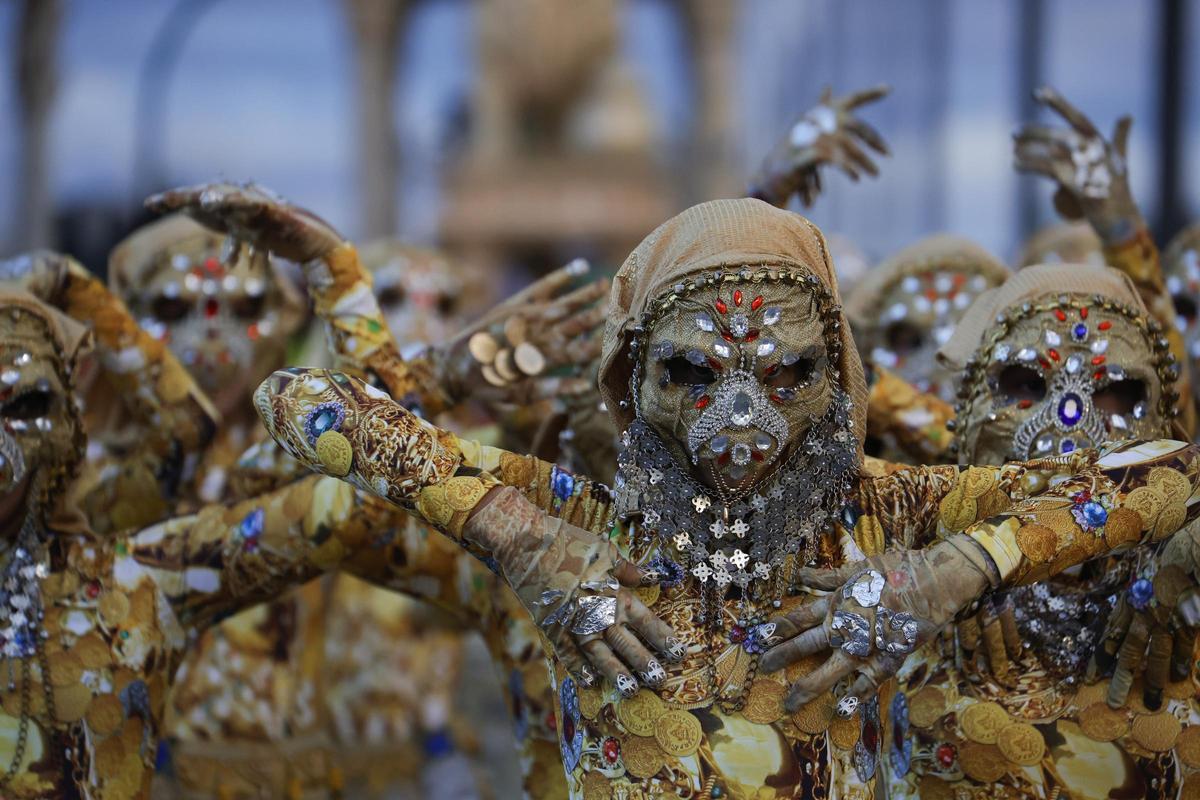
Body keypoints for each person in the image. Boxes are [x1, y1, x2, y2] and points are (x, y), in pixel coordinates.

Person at [254, 197, 1200, 799]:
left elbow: (1170, 475)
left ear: (837, 374)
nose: (743, 422)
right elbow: (294, 399)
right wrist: (513, 534)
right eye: (695, 373)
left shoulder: (892, 512)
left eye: (787, 373)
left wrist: (954, 571)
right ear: (632, 378)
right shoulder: (580, 522)